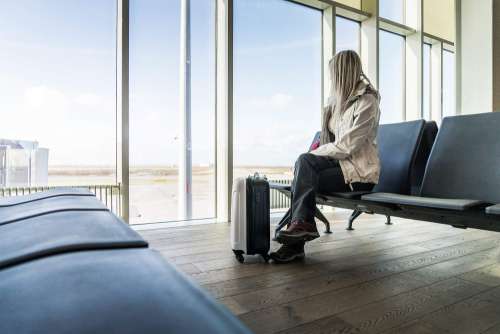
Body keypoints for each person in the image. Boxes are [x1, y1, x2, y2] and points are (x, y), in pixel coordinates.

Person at [270, 50, 381, 263]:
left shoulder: (367, 101)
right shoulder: (339, 103)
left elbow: (346, 146)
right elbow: (330, 142)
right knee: (304, 172)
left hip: (359, 176)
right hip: (341, 171)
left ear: (342, 73)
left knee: (304, 173)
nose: (331, 79)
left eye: (333, 75)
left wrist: (312, 154)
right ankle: (300, 233)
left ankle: (297, 238)